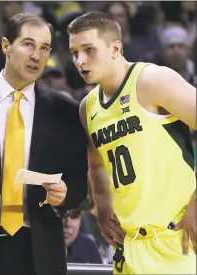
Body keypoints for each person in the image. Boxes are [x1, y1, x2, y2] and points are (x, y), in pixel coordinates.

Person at [67, 11, 196, 274]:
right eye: (74, 52)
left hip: (177, 239)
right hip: (129, 247)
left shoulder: (152, 80)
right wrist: (103, 210)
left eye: (89, 50)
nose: (80, 61)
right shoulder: (87, 107)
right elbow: (97, 163)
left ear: (115, 48)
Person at [0, 12, 88, 275]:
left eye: (44, 48)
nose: (37, 56)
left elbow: (79, 184)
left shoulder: (66, 111)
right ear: (6, 46)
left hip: (38, 253)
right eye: (28, 44)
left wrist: (66, 194)